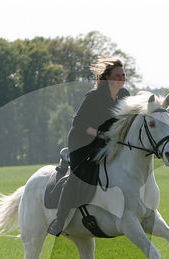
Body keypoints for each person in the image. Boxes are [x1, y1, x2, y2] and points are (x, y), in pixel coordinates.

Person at [47, 57, 130, 236]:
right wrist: (99, 134)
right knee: (78, 176)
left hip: (107, 143)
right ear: (107, 78)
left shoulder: (124, 95)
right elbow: (77, 122)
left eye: (123, 75)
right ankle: (60, 221)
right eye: (118, 75)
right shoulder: (94, 96)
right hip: (82, 143)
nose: (122, 78)